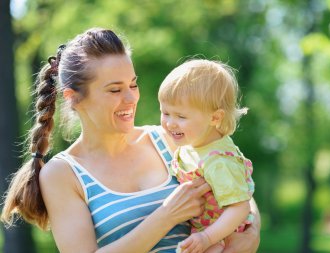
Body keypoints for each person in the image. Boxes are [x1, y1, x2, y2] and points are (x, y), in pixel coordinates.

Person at [1, 27, 260, 253]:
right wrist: (166, 216)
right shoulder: (62, 174)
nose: (130, 98)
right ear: (73, 97)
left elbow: (234, 186)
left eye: (133, 85)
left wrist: (252, 233)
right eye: (115, 90)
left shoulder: (169, 139)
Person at [158, 59, 255, 253]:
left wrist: (207, 237)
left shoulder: (219, 161)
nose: (170, 123)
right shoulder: (192, 143)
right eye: (165, 112)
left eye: (181, 116)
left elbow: (240, 207)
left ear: (215, 117)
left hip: (221, 232)